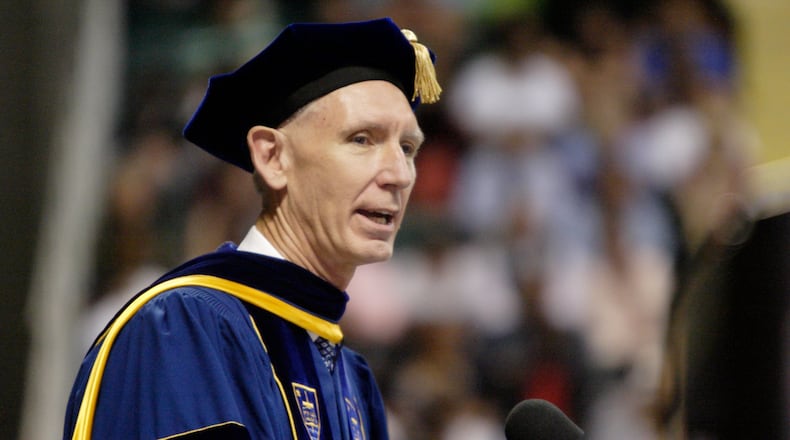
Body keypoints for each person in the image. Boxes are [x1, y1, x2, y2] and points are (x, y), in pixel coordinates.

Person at [64, 17, 441, 440]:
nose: (399, 174)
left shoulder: (352, 379)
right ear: (272, 158)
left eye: (408, 148)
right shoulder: (187, 326)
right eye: (362, 139)